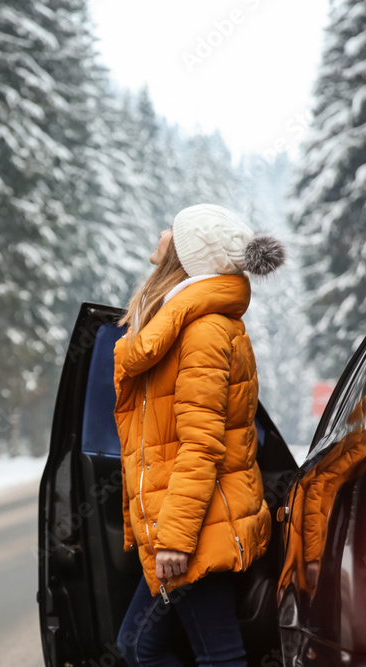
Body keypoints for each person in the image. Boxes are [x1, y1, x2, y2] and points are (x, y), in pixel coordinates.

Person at [113, 204, 285, 666]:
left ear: (191, 255)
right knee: (162, 648)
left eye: (177, 228)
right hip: (199, 521)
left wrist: (175, 539)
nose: (164, 230)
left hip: (199, 525)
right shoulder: (183, 323)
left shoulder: (204, 331)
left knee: (170, 650)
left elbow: (202, 444)